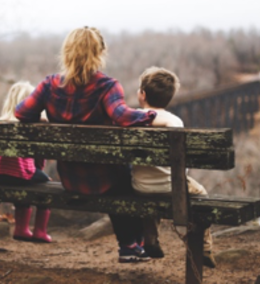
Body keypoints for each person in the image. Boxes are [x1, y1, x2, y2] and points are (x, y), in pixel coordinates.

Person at [15, 27, 157, 263]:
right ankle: (131, 244)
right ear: (100, 53)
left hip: (71, 179)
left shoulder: (49, 85)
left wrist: (41, 119)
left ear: (67, 52)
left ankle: (133, 245)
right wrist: (151, 115)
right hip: (106, 179)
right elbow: (122, 116)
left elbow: (21, 112)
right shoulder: (107, 86)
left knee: (120, 175)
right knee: (127, 176)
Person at [131, 66, 216, 268]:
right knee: (201, 194)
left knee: (150, 196)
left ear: (142, 95)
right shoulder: (174, 121)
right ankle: (205, 247)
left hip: (140, 187)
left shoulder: (132, 119)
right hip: (172, 187)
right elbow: (181, 162)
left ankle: (150, 239)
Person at [0, 81, 52, 243]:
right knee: (46, 184)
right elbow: (38, 157)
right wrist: (38, 170)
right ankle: (39, 231)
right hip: (20, 174)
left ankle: (21, 229)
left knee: (24, 180)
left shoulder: (0, 123)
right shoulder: (30, 125)